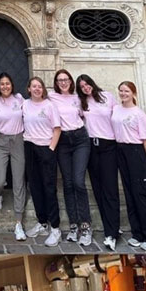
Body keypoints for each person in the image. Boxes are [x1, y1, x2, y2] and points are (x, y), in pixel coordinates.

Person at [112, 81, 146, 252]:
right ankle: (138, 233)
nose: (123, 93)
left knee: (139, 195)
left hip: (136, 152)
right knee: (129, 194)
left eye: (126, 91)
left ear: (133, 93)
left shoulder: (139, 114)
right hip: (120, 151)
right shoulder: (116, 109)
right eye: (121, 90)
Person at [49, 69, 92, 245]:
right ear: (56, 83)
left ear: (70, 81)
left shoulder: (77, 98)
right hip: (63, 141)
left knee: (78, 182)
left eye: (66, 79)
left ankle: (86, 226)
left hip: (80, 139)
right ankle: (73, 225)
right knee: (67, 183)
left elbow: (88, 113)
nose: (63, 83)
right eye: (60, 80)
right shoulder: (51, 97)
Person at [76, 74, 119, 251]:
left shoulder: (107, 97)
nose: (86, 88)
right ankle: (111, 227)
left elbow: (118, 118)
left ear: (92, 83)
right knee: (98, 191)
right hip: (91, 148)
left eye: (87, 84)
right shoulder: (81, 103)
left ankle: (112, 233)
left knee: (110, 189)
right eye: (82, 86)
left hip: (109, 146)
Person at [22, 76, 62, 247]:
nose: (37, 89)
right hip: (29, 147)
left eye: (39, 86)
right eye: (34, 86)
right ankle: (42, 222)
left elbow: (57, 129)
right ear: (29, 89)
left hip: (46, 147)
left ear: (43, 89)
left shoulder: (49, 105)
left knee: (49, 188)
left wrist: (51, 149)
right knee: (35, 187)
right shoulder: (24, 104)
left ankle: (55, 228)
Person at [0, 72, 27, 241]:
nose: (5, 86)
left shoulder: (19, 99)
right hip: (1, 142)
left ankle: (18, 223)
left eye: (8, 83)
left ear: (12, 85)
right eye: (2, 84)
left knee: (19, 181)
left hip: (18, 139)